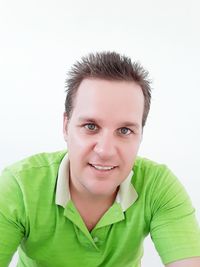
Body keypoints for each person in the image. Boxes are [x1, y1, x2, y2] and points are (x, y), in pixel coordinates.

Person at [0, 52, 200, 267]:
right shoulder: (19, 185)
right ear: (66, 126)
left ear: (141, 134)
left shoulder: (157, 185)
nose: (105, 150)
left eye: (124, 130)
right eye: (90, 126)